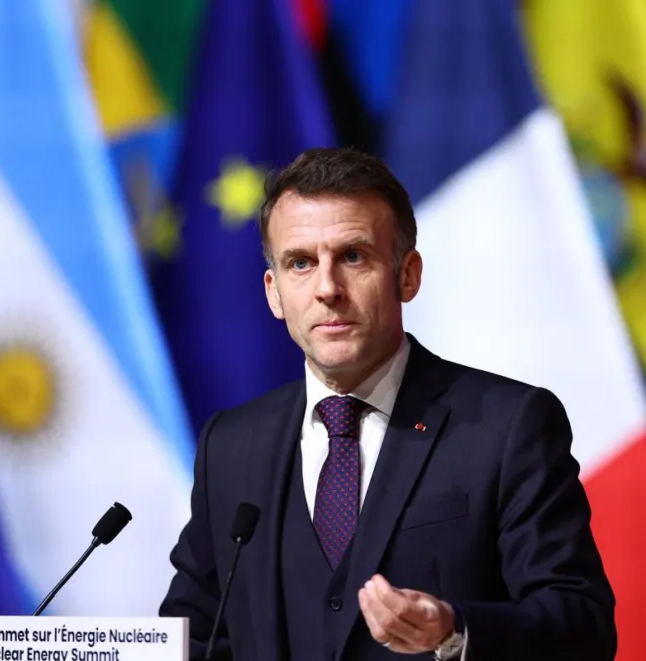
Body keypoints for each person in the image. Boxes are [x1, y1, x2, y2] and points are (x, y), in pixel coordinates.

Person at [159, 147, 616, 660]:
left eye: (353, 257)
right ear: (274, 292)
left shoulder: (507, 427)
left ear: (408, 275)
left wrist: (455, 632)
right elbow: (193, 636)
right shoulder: (231, 446)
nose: (327, 289)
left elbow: (582, 627)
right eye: (301, 263)